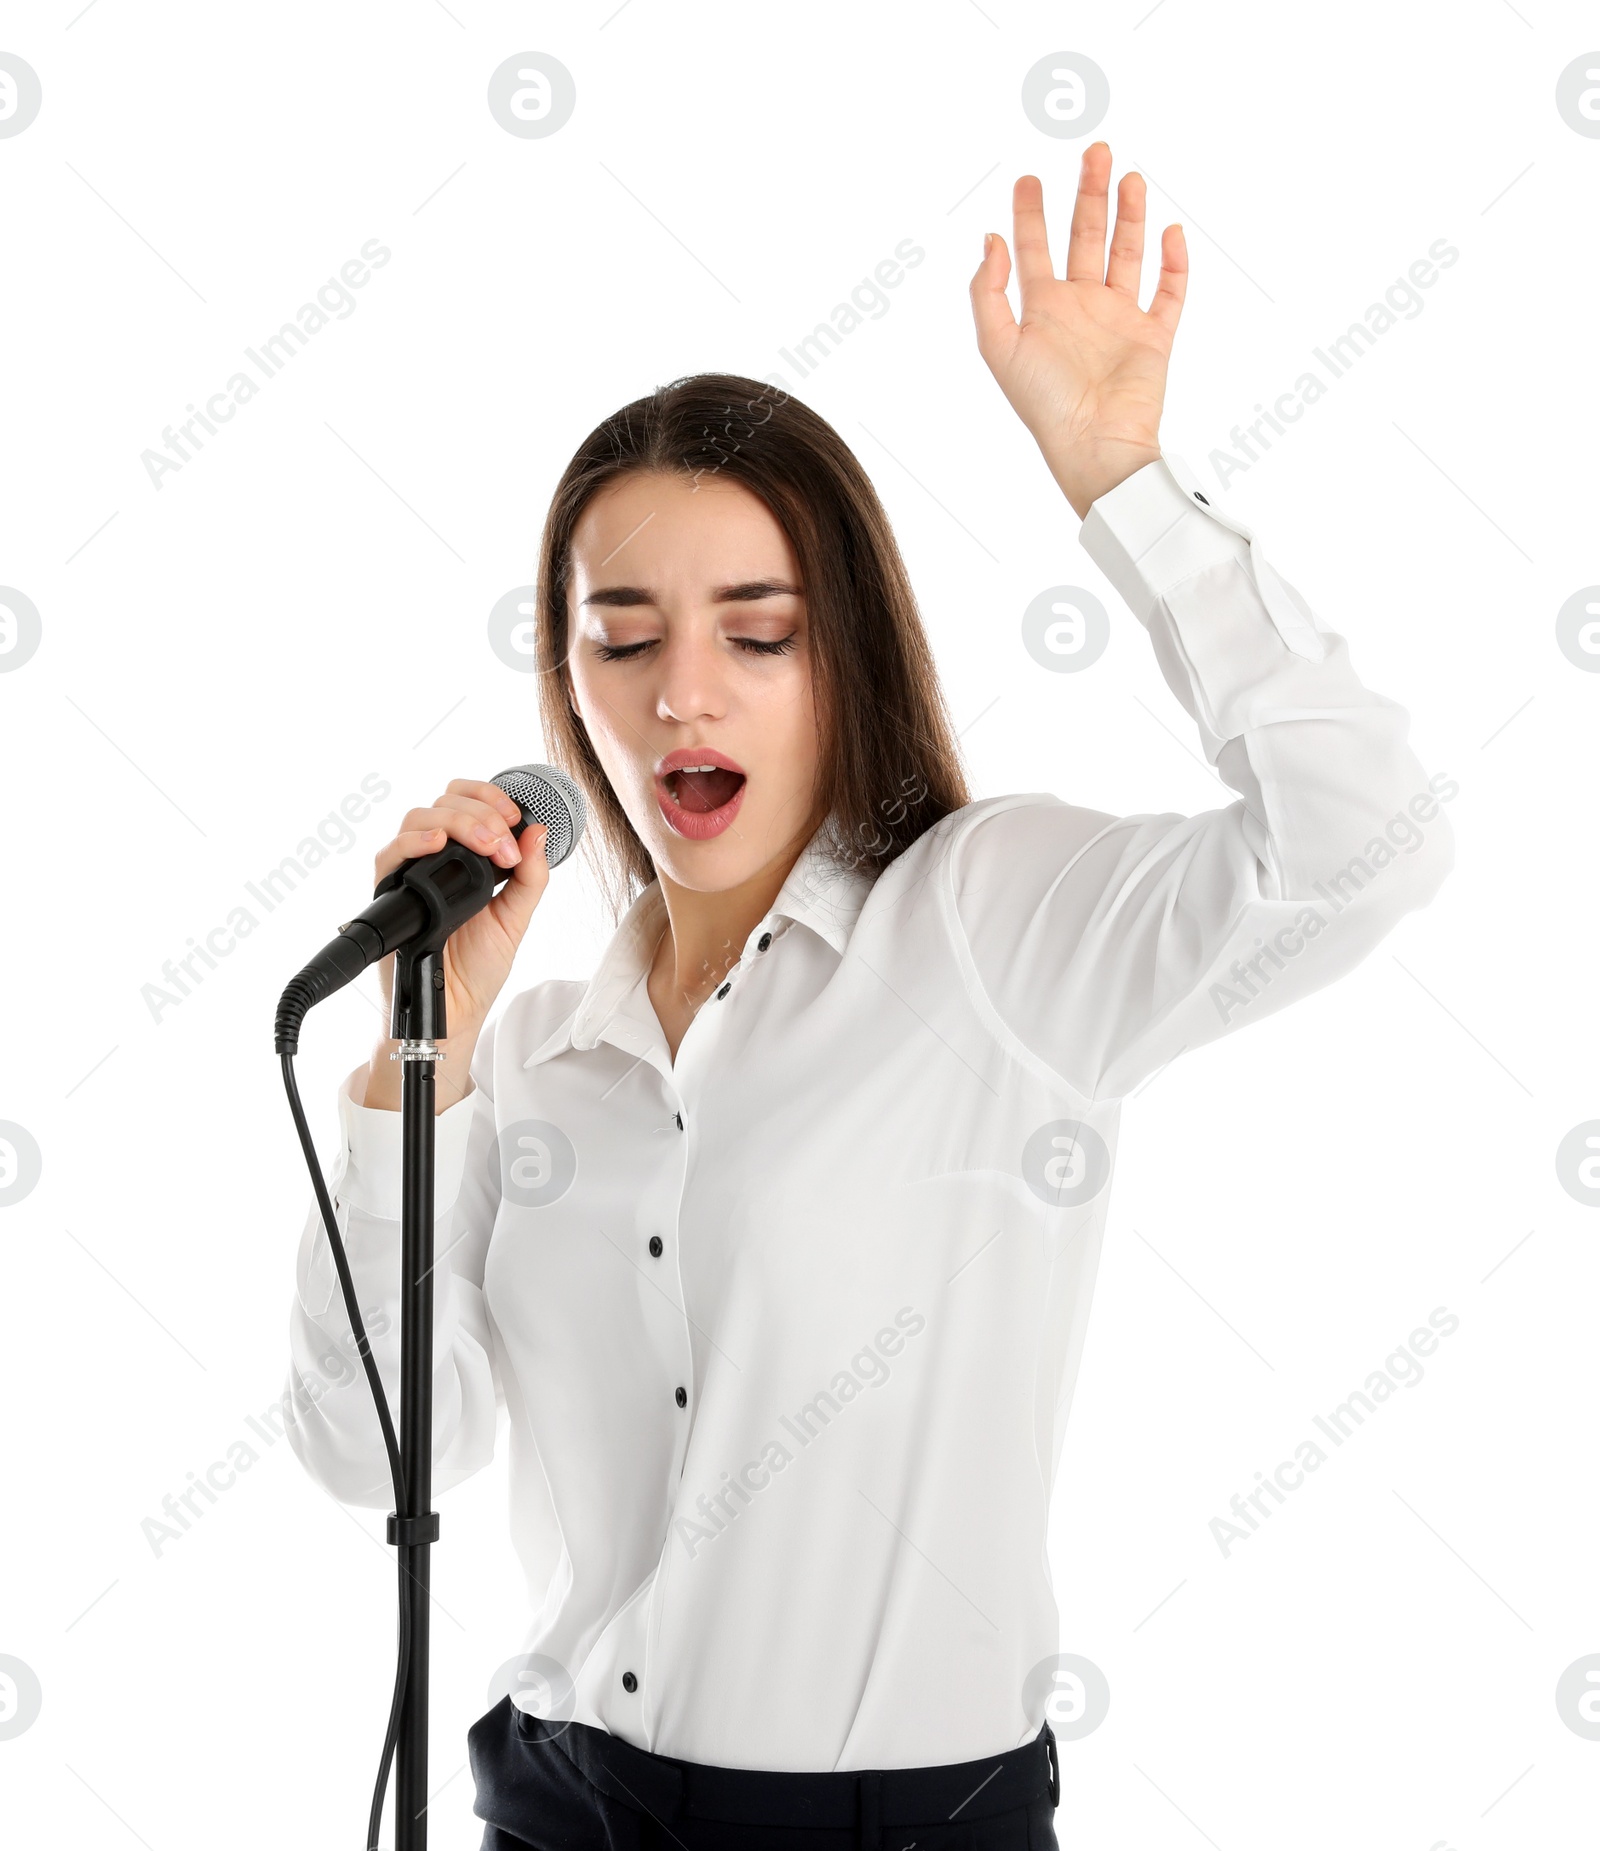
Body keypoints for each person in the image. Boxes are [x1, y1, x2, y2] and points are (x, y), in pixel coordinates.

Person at [282, 147, 1453, 1850]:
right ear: (568, 674)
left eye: (758, 633)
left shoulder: (992, 927)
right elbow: (374, 1459)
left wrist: (1121, 480)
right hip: (550, 1803)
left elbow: (1368, 844)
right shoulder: (528, 1057)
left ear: (851, 649)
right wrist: (420, 1059)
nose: (686, 693)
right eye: (624, 635)